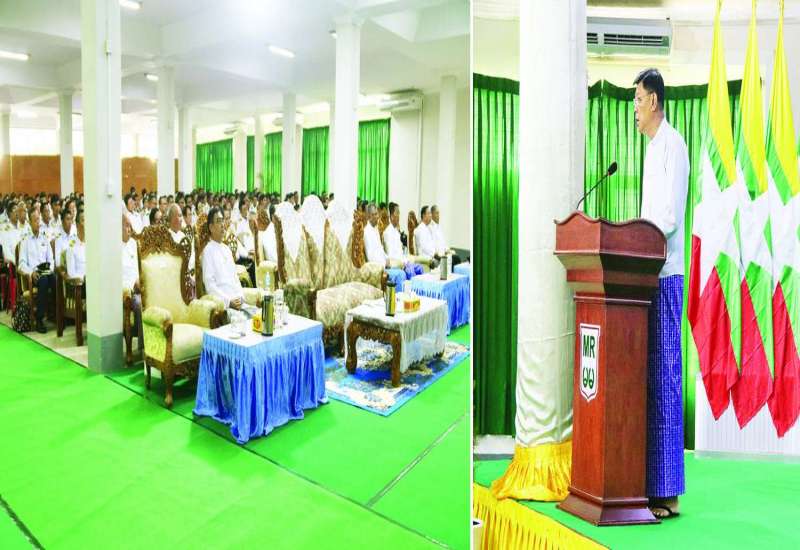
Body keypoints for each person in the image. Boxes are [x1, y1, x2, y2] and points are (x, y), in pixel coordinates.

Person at [633, 68, 689, 519]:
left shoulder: (674, 146)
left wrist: (642, 238)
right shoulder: (651, 149)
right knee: (649, 380)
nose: (634, 110)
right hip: (643, 275)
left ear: (653, 100)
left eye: (637, 100)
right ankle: (649, 485)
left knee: (667, 378)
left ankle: (668, 492)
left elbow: (668, 217)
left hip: (665, 275)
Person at [201, 207, 248, 315]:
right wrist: (228, 302)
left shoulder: (226, 249)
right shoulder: (207, 251)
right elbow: (210, 286)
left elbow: (236, 279)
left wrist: (241, 297)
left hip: (239, 303)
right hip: (225, 307)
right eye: (218, 221)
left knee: (260, 316)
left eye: (223, 221)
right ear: (211, 227)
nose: (222, 224)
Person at [18, 209, 55, 333]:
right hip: (34, 274)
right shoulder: (25, 241)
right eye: (35, 220)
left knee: (54, 279)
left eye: (38, 219)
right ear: (30, 222)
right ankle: (39, 319)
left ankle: (55, 313)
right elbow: (21, 264)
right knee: (43, 280)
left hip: (46, 271)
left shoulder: (44, 238)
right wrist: (31, 273)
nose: (38, 223)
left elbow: (51, 259)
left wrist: (50, 269)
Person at [122, 214, 143, 353]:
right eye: (126, 226)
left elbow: (138, 269)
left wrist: (139, 280)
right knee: (140, 304)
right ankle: (143, 348)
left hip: (138, 287)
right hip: (125, 291)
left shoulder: (134, 244)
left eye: (130, 226)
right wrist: (131, 287)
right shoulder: (114, 248)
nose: (129, 229)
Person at [65, 210, 86, 283]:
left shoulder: (92, 244)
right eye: (83, 220)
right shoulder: (72, 246)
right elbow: (71, 273)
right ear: (77, 225)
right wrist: (83, 279)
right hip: (81, 284)